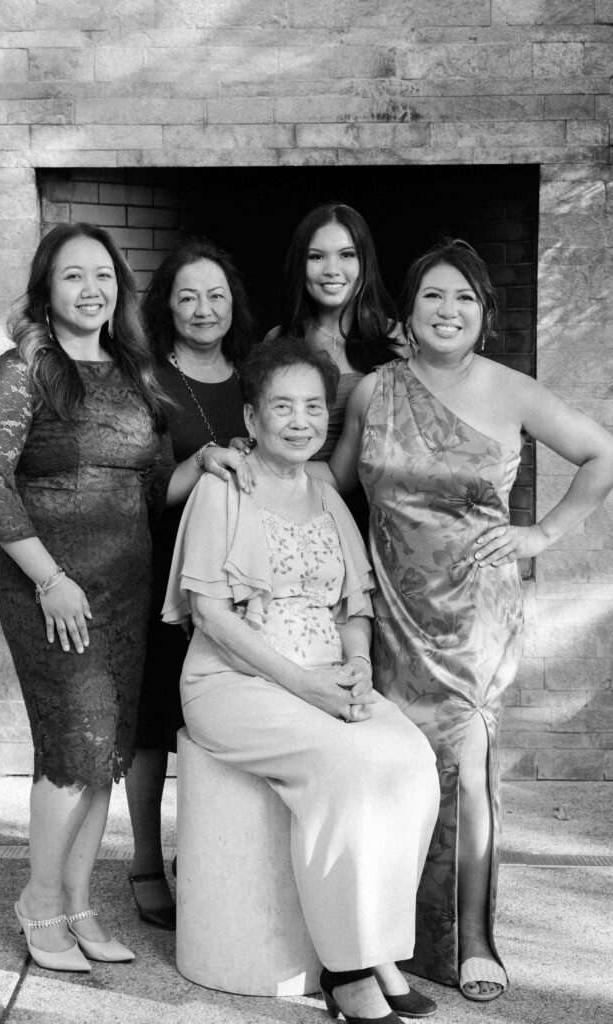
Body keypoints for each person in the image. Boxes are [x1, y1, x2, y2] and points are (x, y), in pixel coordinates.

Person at [0, 224, 246, 972]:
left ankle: (79, 906)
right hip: (52, 589)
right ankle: (38, 902)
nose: (91, 289)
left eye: (103, 276)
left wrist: (203, 460)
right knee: (72, 748)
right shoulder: (22, 370)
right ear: (46, 290)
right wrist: (49, 579)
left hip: (125, 586)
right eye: (73, 276)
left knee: (107, 753)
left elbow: (148, 488)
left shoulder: (130, 370)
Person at [328, 238, 613, 1002]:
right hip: (385, 603)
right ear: (406, 314)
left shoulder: (511, 390)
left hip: (472, 615)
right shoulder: (370, 392)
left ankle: (471, 937)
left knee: (466, 762)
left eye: (463, 298)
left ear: (484, 315)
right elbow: (331, 488)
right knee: (390, 767)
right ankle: (379, 935)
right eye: (431, 297)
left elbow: (602, 455)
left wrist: (540, 535)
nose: (446, 310)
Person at [162, 337, 441, 1024]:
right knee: (346, 766)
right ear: (252, 420)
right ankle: (346, 972)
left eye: (312, 407)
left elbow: (354, 605)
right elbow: (211, 617)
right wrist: (303, 686)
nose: (299, 420)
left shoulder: (324, 494)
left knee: (412, 761)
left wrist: (354, 666)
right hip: (232, 682)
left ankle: (377, 948)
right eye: (281, 407)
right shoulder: (221, 489)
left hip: (323, 676)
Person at [125, 239, 255, 928]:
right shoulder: (147, 380)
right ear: (166, 307)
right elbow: (139, 493)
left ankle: (209, 854)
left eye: (215, 296)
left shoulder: (256, 374)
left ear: (233, 303)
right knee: (153, 727)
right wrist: (200, 460)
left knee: (224, 725)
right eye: (187, 296)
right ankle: (146, 861)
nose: (203, 309)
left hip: (245, 588)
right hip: (165, 576)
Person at [265, 202, 399, 463]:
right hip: (290, 492)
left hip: (374, 499)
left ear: (365, 262)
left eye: (347, 255)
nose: (331, 270)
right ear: (300, 265)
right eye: (316, 257)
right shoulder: (277, 340)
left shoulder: (401, 339)